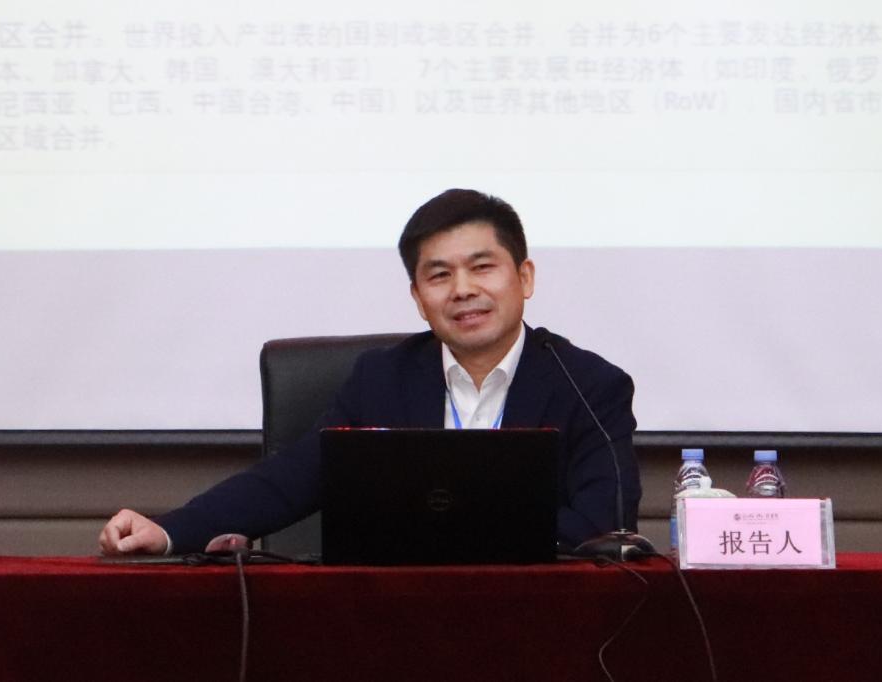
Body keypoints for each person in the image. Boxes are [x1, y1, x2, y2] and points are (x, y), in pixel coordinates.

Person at [99, 188, 640, 556]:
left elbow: (605, 522)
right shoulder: (382, 380)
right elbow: (288, 481)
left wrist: (461, 531)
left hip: (536, 618)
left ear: (524, 278)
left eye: (482, 267)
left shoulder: (589, 386)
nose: (463, 290)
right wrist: (169, 531)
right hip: (395, 617)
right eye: (439, 275)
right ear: (418, 298)